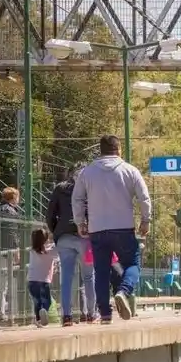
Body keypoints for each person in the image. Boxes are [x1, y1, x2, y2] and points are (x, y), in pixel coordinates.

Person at [72, 135, 151, 324]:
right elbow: (144, 197)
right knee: (133, 264)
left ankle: (105, 314)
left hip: (97, 229)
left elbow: (77, 199)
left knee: (101, 271)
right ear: (119, 149)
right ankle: (123, 291)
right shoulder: (130, 170)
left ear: (101, 150)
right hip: (123, 228)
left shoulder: (87, 172)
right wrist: (146, 220)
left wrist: (80, 222)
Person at [47, 163, 97, 325]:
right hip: (85, 238)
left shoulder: (59, 189)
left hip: (64, 237)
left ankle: (67, 316)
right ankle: (91, 313)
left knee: (66, 278)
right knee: (89, 277)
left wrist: (57, 231)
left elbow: (50, 214)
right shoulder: (90, 188)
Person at [0, 187, 22, 324]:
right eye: (17, 197)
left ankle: (1, 311)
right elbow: (12, 233)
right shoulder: (11, 211)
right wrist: (16, 250)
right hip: (9, 251)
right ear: (13, 198)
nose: (19, 199)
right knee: (10, 282)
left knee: (2, 283)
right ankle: (11, 313)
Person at [27, 228, 59, 327]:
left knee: (37, 301)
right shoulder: (50, 252)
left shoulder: (32, 251)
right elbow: (57, 251)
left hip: (32, 281)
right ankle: (43, 311)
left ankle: (39, 318)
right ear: (46, 240)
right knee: (47, 301)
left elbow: (41, 249)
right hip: (44, 281)